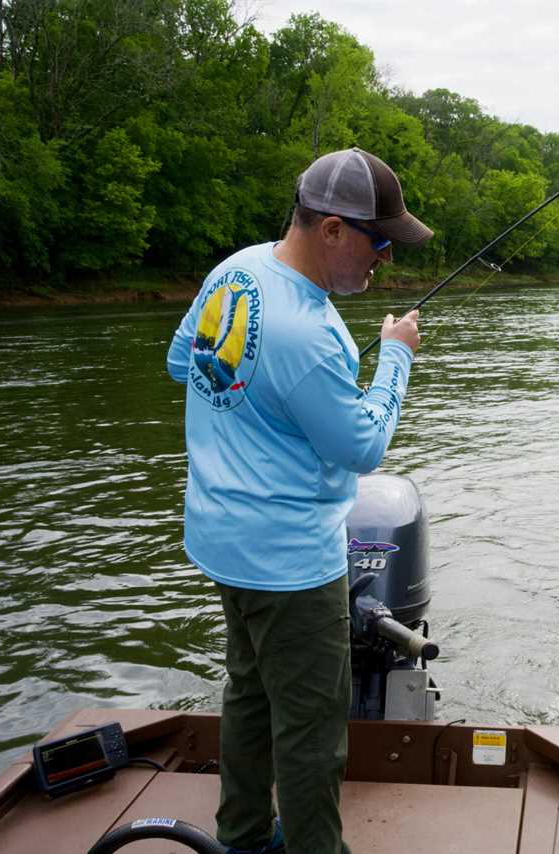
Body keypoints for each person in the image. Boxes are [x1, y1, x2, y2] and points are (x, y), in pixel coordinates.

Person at [166, 147, 432, 854]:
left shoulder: (235, 271)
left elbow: (181, 360)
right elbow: (363, 448)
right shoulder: (313, 334)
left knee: (249, 696)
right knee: (314, 733)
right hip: (290, 564)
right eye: (379, 243)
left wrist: (260, 401)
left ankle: (245, 840)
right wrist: (396, 354)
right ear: (335, 230)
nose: (384, 261)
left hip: (222, 541)